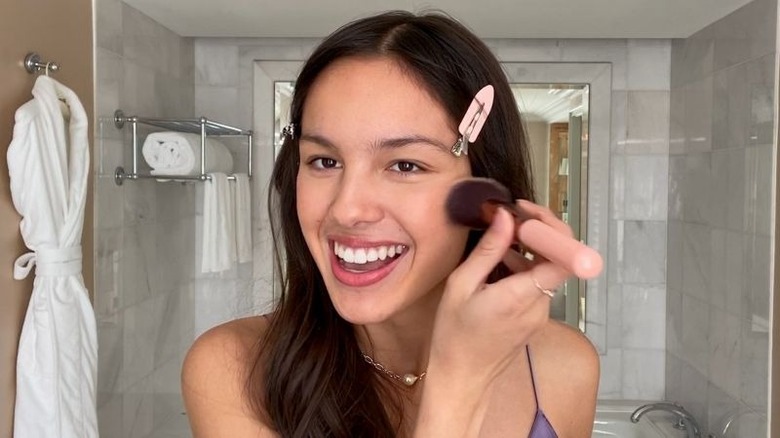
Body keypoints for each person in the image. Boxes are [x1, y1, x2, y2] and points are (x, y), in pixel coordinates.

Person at [182, 10, 599, 438]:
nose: (346, 210)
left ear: (484, 195)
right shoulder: (232, 369)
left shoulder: (567, 368)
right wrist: (457, 387)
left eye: (405, 165)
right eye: (324, 161)